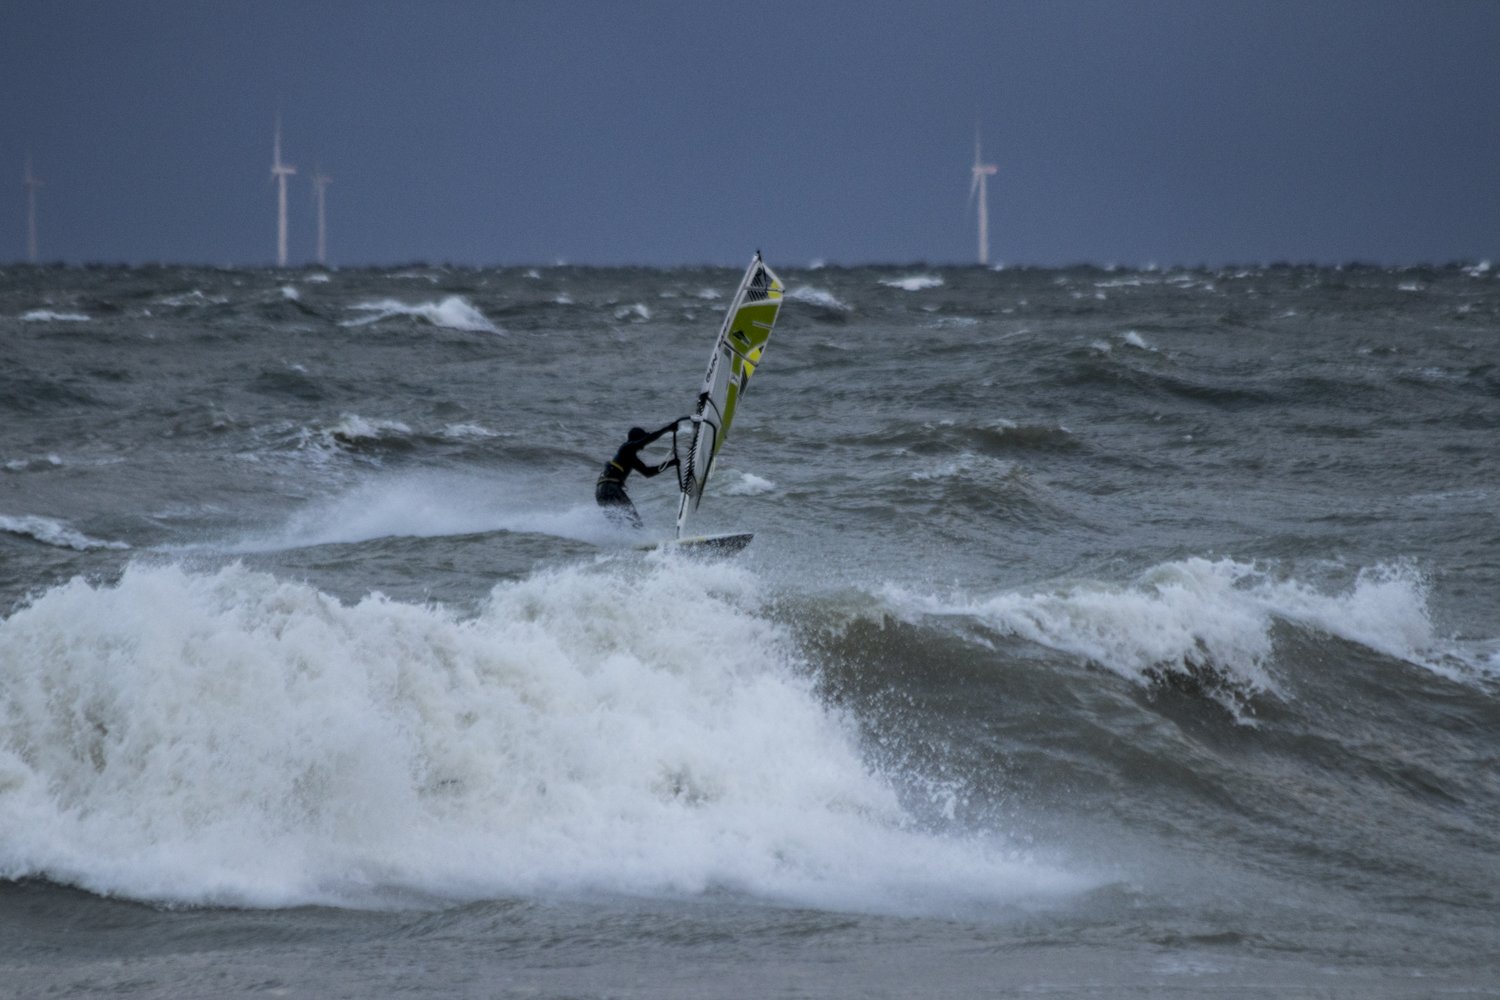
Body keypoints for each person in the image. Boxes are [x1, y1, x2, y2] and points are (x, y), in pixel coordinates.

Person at [595, 419, 684, 528]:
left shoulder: (630, 457)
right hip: (611, 488)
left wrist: (671, 463)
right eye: (641, 440)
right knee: (634, 519)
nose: (643, 446)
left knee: (618, 524)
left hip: (600, 492)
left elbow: (648, 472)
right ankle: (642, 537)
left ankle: (626, 543)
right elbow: (648, 439)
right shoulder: (626, 447)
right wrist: (668, 429)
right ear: (637, 439)